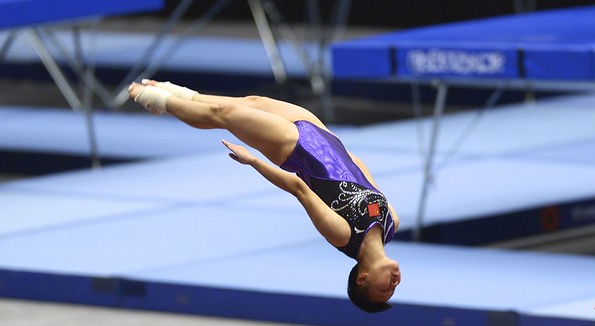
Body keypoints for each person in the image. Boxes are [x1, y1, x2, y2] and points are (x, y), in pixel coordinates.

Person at [128, 79, 401, 312]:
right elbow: (361, 173)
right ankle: (179, 94)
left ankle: (154, 97)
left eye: (383, 292)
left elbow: (299, 189)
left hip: (295, 148)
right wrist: (332, 140)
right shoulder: (392, 223)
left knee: (223, 113)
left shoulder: (344, 236)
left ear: (362, 279)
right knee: (251, 101)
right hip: (322, 136)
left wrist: (255, 162)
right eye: (392, 290)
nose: (393, 285)